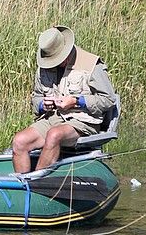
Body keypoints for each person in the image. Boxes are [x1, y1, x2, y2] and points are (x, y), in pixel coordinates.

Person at [11, 25, 117, 174]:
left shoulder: (91, 64)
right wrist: (43, 105)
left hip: (82, 122)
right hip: (52, 119)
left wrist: (76, 101)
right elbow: (36, 97)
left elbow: (109, 99)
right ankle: (23, 187)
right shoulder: (44, 65)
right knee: (19, 141)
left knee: (54, 135)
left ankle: (37, 183)